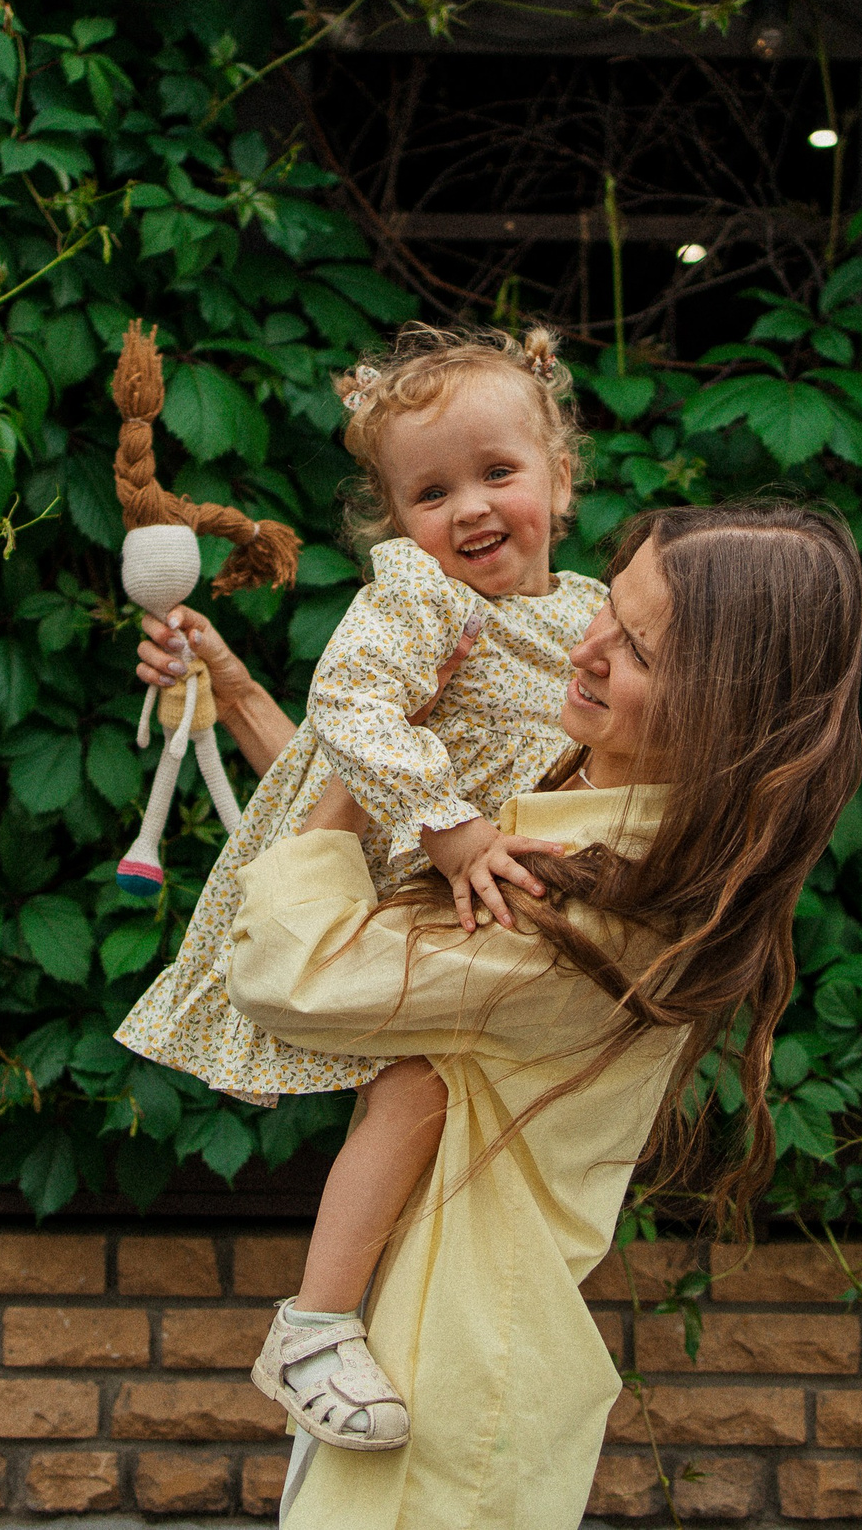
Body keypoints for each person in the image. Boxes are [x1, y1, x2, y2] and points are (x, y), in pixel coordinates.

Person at [152, 501, 862, 1528]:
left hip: (446, 1402)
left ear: (725, 707)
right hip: (428, 1363)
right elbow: (380, 862)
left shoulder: (577, 911)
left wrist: (382, 751)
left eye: (638, 649)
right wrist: (248, 695)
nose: (585, 647)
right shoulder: (602, 809)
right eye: (606, 611)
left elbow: (290, 964)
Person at [114, 324, 605, 1449]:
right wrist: (451, 828)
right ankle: (314, 1322)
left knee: (457, 1121)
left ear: (558, 481)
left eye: (497, 473)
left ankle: (379, 1320)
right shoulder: (415, 600)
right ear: (394, 522)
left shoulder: (584, 614)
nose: (469, 508)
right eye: (430, 492)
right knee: (416, 1087)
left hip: (475, 905)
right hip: (411, 887)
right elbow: (351, 720)